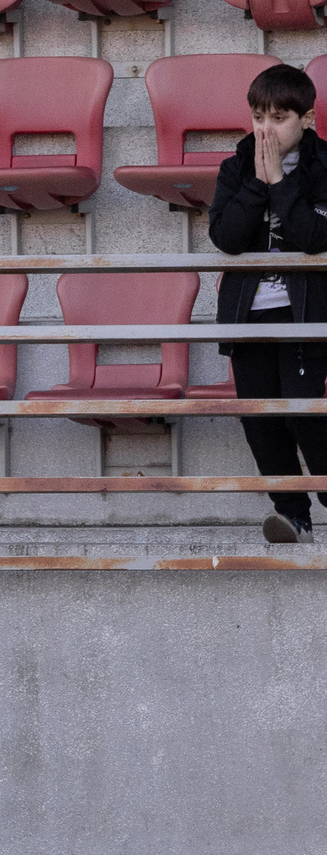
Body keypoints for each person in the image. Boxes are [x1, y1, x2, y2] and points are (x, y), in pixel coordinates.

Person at [211, 64, 327, 547]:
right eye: (258, 115)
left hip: (304, 313)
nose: (265, 127)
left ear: (308, 119)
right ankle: (293, 515)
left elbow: (314, 236)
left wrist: (281, 182)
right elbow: (226, 238)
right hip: (248, 316)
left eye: (279, 116)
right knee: (260, 418)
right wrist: (258, 184)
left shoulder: (324, 167)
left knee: (304, 414)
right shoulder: (236, 166)